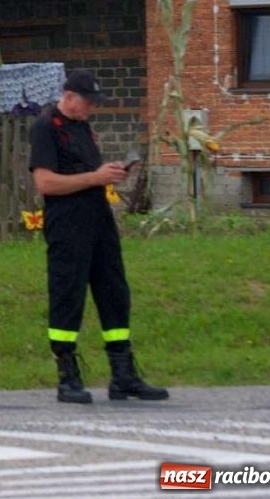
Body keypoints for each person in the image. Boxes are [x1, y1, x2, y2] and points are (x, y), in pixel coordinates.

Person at [29, 69, 169, 404]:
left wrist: (110, 174)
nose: (93, 108)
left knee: (114, 291)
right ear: (69, 96)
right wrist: (95, 177)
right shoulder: (45, 127)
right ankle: (67, 376)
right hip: (67, 224)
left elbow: (87, 174)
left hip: (99, 221)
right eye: (89, 102)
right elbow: (46, 183)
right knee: (68, 294)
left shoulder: (83, 126)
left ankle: (123, 374)